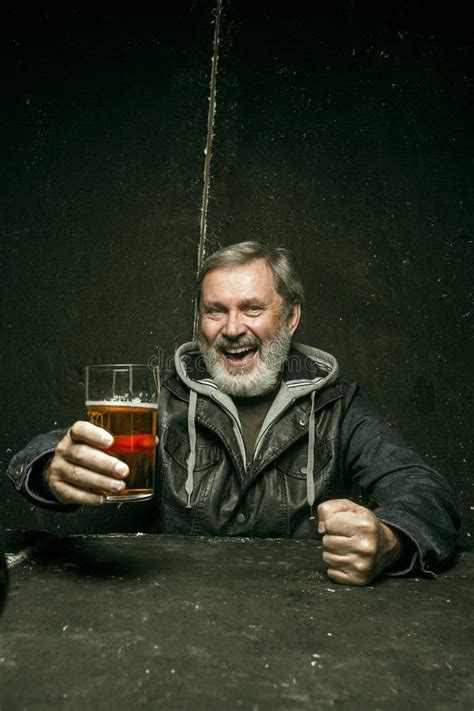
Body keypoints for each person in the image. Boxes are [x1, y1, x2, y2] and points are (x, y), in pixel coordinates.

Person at [7, 241, 460, 586]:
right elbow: (54, 447)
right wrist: (52, 468)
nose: (232, 329)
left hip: (305, 616)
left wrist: (388, 541)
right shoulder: (166, 397)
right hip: (171, 611)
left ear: (292, 316)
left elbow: (424, 491)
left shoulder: (337, 405)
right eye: (214, 311)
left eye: (252, 309)